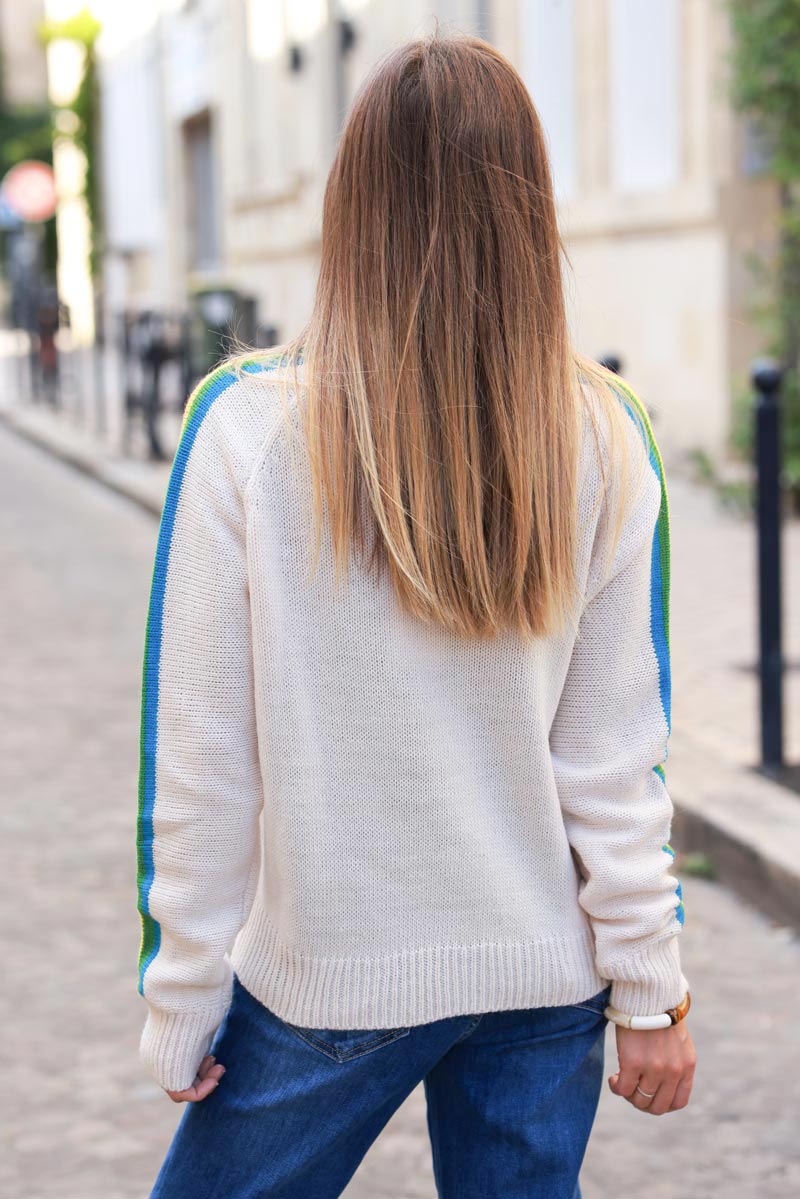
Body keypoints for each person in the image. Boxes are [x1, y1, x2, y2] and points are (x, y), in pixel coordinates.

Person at [135, 28, 696, 1199]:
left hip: (333, 972)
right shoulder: (603, 432)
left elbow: (201, 755)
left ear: (350, 205)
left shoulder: (246, 429)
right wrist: (650, 984)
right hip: (542, 978)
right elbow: (613, 756)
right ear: (528, 205)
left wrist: (184, 982)